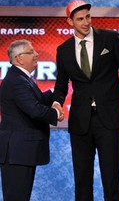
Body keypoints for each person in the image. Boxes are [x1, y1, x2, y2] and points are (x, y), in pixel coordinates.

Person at [52, 0, 119, 200]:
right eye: (80, 19)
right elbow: (61, 85)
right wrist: (56, 103)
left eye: (88, 16)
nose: (86, 22)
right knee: (82, 181)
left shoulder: (110, 39)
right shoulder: (64, 50)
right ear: (70, 22)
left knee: (111, 179)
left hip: (109, 120)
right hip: (80, 122)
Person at [0, 39, 64, 201]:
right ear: (19, 58)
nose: (36, 55)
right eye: (31, 52)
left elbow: (37, 100)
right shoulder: (16, 81)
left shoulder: (22, 78)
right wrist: (56, 113)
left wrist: (56, 90)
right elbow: (34, 109)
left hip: (22, 152)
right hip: (17, 153)